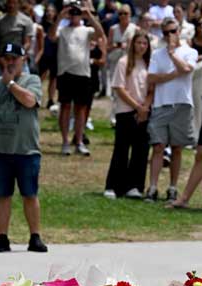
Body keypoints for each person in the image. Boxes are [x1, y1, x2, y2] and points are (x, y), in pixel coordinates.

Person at [0, 43, 47, 253]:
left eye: (14, 58)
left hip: (27, 150)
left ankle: (35, 237)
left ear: (23, 60)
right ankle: (2, 238)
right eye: (6, 58)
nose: (10, 62)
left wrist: (10, 84)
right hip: (0, 151)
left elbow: (29, 100)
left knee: (30, 194)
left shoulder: (32, 80)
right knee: (2, 195)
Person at [145, 18, 198, 202]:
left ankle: (173, 187)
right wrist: (171, 75)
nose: (170, 35)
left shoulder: (189, 51)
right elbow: (151, 78)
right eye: (166, 32)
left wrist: (173, 54)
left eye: (173, 31)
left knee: (177, 148)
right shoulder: (157, 54)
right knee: (158, 146)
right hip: (161, 104)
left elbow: (185, 68)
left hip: (182, 104)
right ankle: (152, 187)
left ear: (179, 30)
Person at [50, 0, 105, 156]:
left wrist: (89, 16)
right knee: (65, 107)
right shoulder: (62, 29)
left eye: (77, 13)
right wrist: (60, 17)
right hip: (65, 73)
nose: (74, 15)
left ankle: (79, 141)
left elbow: (100, 34)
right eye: (72, 12)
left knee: (80, 109)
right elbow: (51, 36)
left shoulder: (86, 30)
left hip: (83, 73)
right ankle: (65, 141)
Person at [104, 32, 152, 200]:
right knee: (121, 149)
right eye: (139, 43)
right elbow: (119, 88)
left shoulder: (149, 64)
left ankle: (135, 186)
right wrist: (136, 107)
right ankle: (113, 186)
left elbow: (152, 89)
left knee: (141, 150)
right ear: (133, 44)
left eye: (145, 43)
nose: (142, 46)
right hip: (126, 111)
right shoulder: (124, 62)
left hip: (144, 112)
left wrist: (144, 107)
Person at [0, 0, 34, 76]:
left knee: (23, 85)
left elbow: (27, 43)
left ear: (19, 4)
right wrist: (1, 61)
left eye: (14, 3)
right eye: (9, 2)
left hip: (19, 59)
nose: (11, 5)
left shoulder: (27, 21)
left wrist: (19, 56)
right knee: (0, 86)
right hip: (2, 59)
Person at [39, 3, 58, 108]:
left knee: (53, 78)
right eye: (47, 11)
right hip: (45, 53)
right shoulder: (42, 25)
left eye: (51, 11)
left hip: (55, 54)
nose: (49, 13)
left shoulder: (58, 25)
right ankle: (36, 96)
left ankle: (51, 99)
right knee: (41, 76)